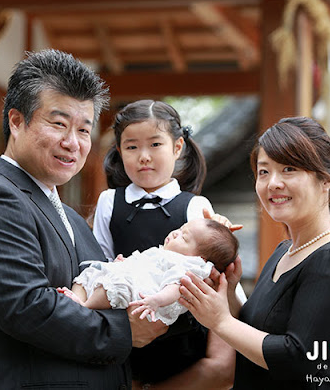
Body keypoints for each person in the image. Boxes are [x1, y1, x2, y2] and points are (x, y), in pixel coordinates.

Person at [0, 49, 167, 390]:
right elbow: (28, 308)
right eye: (58, 124)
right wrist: (125, 330)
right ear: (16, 121)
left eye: (83, 130)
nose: (72, 143)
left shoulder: (71, 218)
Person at [179, 116, 330, 389]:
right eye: (264, 172)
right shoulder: (284, 252)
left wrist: (220, 321)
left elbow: (299, 356)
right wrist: (228, 292)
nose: (273, 183)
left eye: (289, 169)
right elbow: (259, 332)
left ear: (325, 180)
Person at [92, 99, 244, 388]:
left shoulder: (194, 206)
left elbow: (212, 271)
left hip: (183, 338)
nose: (144, 156)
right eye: (132, 147)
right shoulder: (109, 203)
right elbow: (101, 261)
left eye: (155, 145)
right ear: (119, 151)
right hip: (127, 330)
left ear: (177, 147)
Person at [59, 217, 238, 326]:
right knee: (91, 272)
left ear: (201, 259)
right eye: (181, 229)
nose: (175, 234)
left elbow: (176, 286)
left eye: (184, 237)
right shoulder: (165, 253)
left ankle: (86, 306)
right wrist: (125, 262)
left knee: (116, 286)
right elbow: (143, 264)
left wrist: (156, 301)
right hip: (132, 277)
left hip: (146, 295)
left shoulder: (189, 265)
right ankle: (79, 298)